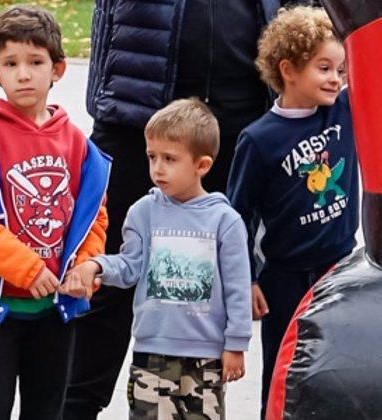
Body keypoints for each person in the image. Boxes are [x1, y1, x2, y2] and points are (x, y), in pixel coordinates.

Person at [68, 0, 309, 417]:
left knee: (230, 285)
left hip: (238, 126)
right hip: (140, 124)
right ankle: (76, 408)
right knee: (113, 288)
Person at [0, 6, 110, 419]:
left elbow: (93, 215)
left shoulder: (76, 143)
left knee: (47, 409)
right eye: (11, 64)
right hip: (0, 308)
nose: (23, 74)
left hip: (56, 308)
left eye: (35, 62)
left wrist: (86, 266)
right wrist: (26, 268)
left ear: (58, 69)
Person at [61, 99, 251, 420]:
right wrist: (97, 265)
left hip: (205, 357)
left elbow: (237, 288)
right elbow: (129, 266)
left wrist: (236, 344)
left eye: (169, 159)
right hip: (151, 352)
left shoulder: (225, 221)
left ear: (202, 165)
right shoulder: (143, 212)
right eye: (152, 157)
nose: (157, 168)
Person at [226, 5, 358, 415]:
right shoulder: (259, 139)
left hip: (341, 269)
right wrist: (246, 281)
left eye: (340, 69)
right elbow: (237, 216)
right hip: (284, 280)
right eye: (323, 68)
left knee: (340, 369)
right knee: (285, 374)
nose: (335, 79)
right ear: (289, 69)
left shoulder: (343, 110)